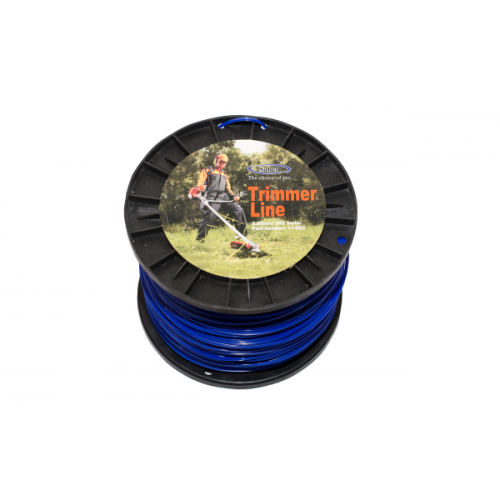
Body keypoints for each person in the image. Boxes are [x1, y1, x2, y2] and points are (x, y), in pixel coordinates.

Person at [196, 153, 247, 241]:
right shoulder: (207, 170)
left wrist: (234, 196)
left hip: (224, 197)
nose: (222, 164)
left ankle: (241, 235)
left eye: (224, 162)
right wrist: (200, 187)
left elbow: (228, 189)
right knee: (209, 217)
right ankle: (200, 239)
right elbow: (200, 183)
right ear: (216, 160)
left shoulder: (224, 174)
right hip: (211, 197)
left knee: (238, 210)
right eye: (220, 162)